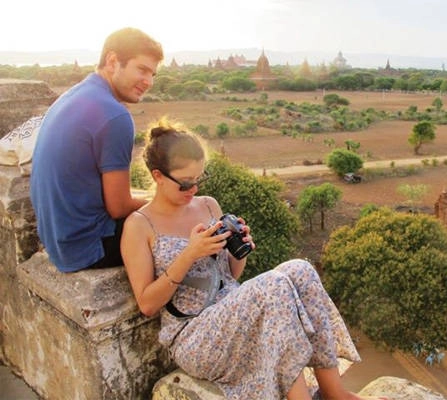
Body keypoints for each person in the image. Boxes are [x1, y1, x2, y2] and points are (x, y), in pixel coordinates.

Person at [120, 118, 383, 400]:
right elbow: (147, 304)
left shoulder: (208, 205)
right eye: (185, 184)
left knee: (300, 269)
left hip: (234, 313)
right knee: (274, 284)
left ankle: (334, 391)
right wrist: (189, 254)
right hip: (193, 334)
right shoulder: (140, 225)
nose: (193, 190)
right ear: (158, 176)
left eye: (199, 180)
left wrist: (239, 249)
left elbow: (230, 277)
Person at [31, 27, 163, 272]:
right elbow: (119, 207)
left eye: (152, 74)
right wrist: (161, 200)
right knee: (188, 221)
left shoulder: (74, 95)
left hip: (56, 240)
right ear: (112, 61)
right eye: (142, 69)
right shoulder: (115, 116)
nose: (149, 82)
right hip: (86, 249)